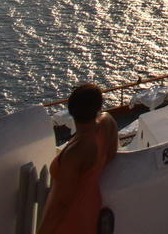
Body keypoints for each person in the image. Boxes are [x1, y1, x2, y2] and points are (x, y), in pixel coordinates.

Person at [38, 83, 118, 234]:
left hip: (66, 223)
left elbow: (61, 204)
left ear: (71, 111)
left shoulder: (75, 152)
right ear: (99, 107)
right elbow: (111, 154)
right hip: (89, 211)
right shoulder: (107, 123)